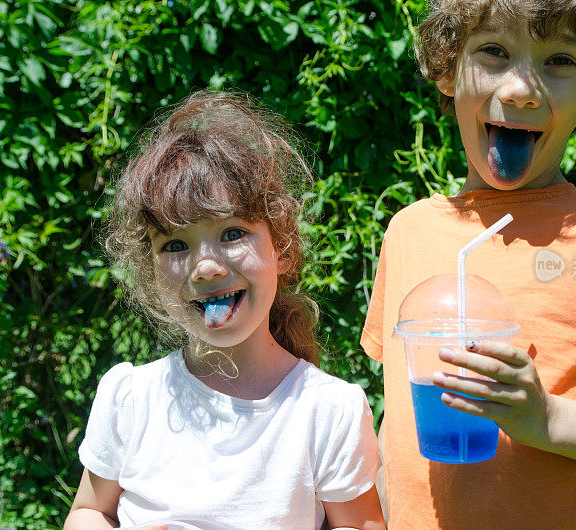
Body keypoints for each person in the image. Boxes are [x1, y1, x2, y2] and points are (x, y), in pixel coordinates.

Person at [361, 1, 576, 527]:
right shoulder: (408, 231)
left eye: (560, 60)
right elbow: (401, 422)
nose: (521, 88)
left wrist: (547, 418)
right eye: (495, 52)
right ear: (446, 69)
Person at [65, 90, 385, 530]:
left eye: (232, 233)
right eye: (175, 244)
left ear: (283, 248)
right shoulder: (130, 399)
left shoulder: (327, 411)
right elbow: (88, 511)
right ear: (149, 268)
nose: (206, 266)